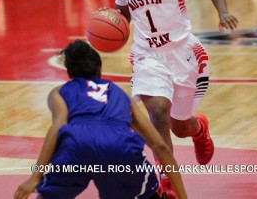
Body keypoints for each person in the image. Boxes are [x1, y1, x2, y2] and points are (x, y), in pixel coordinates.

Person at [112, 0, 238, 198]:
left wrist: (223, 12)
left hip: (182, 53)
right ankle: (164, 177)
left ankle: (199, 128)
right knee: (157, 112)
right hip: (147, 55)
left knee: (180, 127)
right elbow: (123, 16)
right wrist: (107, 22)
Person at [14, 40, 188, 199]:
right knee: (149, 194)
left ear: (69, 73)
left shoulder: (59, 92)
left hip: (76, 145)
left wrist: (35, 177)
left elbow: (58, 126)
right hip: (118, 147)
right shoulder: (120, 94)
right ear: (99, 70)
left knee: (48, 196)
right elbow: (160, 146)